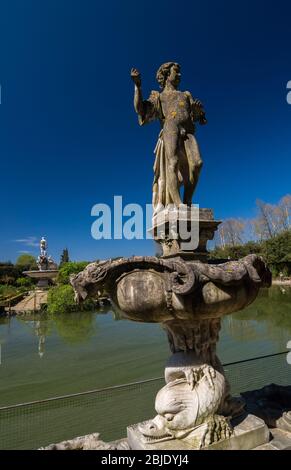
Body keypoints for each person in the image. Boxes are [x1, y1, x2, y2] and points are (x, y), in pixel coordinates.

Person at [131, 62, 206, 213]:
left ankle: (187, 200)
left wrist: (197, 112)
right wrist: (138, 86)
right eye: (176, 72)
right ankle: (178, 204)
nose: (179, 75)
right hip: (170, 128)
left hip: (188, 131)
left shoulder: (186, 94)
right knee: (173, 162)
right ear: (166, 75)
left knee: (197, 164)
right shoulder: (158, 96)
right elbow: (141, 109)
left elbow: (199, 118)